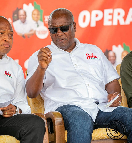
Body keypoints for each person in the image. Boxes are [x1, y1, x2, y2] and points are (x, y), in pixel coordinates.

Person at [26, 8, 132, 143]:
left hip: (100, 108)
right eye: (54, 30)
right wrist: (41, 68)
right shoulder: (40, 56)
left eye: (64, 28)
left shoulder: (93, 50)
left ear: (74, 26)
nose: (59, 33)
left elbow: (112, 83)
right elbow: (31, 92)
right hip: (67, 108)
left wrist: (114, 95)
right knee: (80, 118)